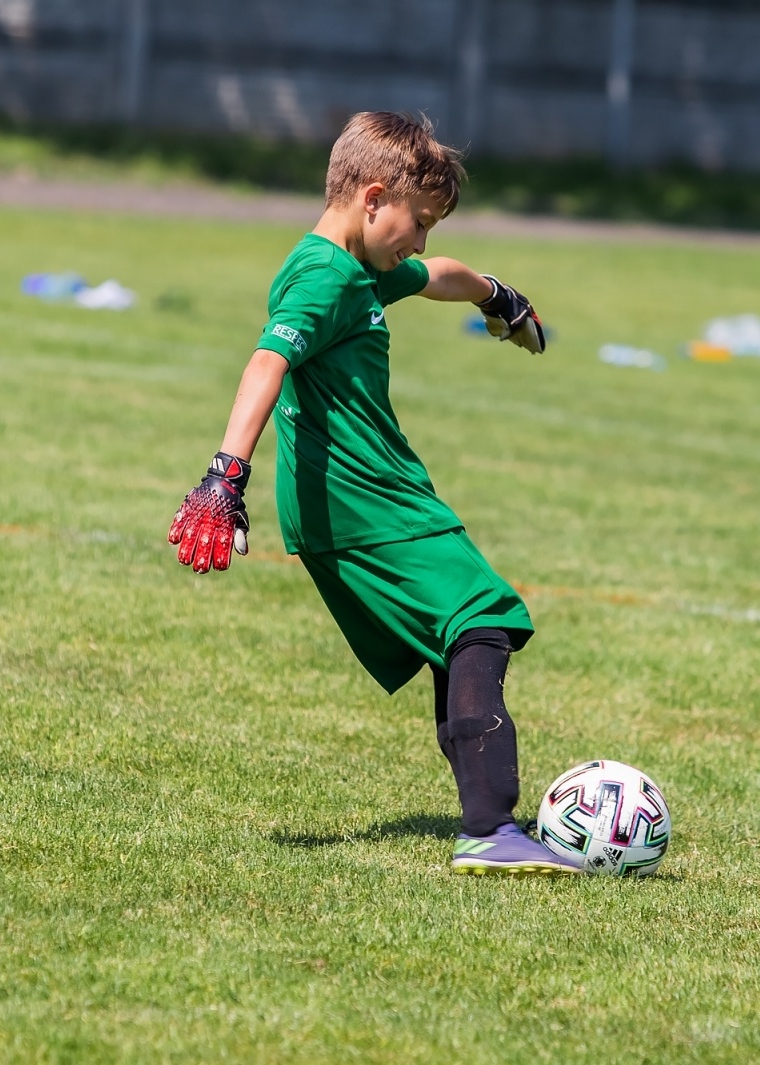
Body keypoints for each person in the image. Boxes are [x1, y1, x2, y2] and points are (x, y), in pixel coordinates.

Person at [167, 112, 581, 876]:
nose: (418, 241)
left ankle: (489, 821)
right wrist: (226, 473)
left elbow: (437, 276)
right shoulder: (323, 277)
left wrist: (496, 295)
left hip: (376, 496)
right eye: (416, 223)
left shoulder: (360, 267)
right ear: (372, 196)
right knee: (480, 617)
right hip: (365, 501)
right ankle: (492, 830)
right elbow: (266, 362)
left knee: (453, 643)